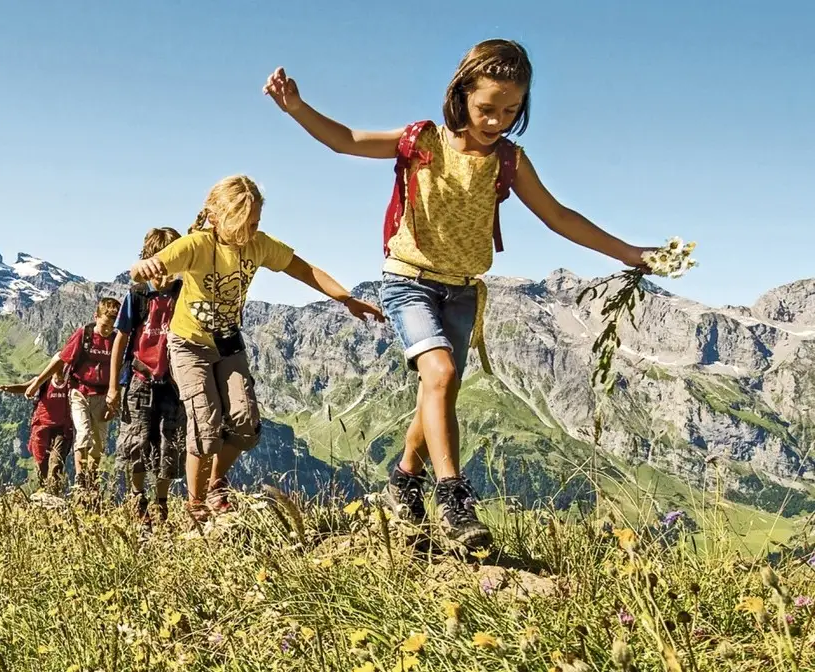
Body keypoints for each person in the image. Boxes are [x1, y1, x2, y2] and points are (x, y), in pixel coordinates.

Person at [263, 39, 657, 548]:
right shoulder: (423, 141)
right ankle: (453, 497)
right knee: (441, 374)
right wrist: (297, 107)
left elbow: (558, 217)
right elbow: (346, 140)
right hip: (408, 279)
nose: (497, 120)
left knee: (437, 393)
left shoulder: (509, 161)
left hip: (464, 291)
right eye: (486, 108)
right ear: (461, 95)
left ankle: (404, 481)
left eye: (511, 110)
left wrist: (627, 252)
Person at [132, 175, 384, 524]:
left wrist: (347, 299)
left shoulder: (259, 245)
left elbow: (304, 269)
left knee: (245, 424)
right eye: (245, 224)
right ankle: (196, 506)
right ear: (217, 217)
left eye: (256, 223)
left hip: (228, 342)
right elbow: (147, 266)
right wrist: (144, 267)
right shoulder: (195, 245)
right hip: (188, 345)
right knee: (205, 425)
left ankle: (217, 483)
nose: (252, 231)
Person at [107, 227, 186, 526]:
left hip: (172, 383)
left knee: (170, 444)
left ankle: (161, 504)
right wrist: (114, 386)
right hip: (140, 379)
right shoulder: (138, 295)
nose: (166, 272)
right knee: (135, 442)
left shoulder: (183, 295)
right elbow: (120, 339)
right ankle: (137, 499)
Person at [7, 298, 121, 498]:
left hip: (103, 396)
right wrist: (37, 382)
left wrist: (115, 397)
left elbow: (121, 369)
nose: (107, 330)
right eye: (104, 325)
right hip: (80, 392)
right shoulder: (84, 335)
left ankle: (91, 479)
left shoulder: (116, 339)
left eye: (111, 326)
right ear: (96, 317)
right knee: (83, 433)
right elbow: (60, 359)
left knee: (99, 442)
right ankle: (80, 478)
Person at [0, 372, 74, 495]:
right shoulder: (43, 380)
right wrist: (7, 388)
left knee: (56, 462)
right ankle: (45, 491)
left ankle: (54, 493)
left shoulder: (71, 381)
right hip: (42, 427)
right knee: (42, 463)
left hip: (62, 428)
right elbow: (26, 388)